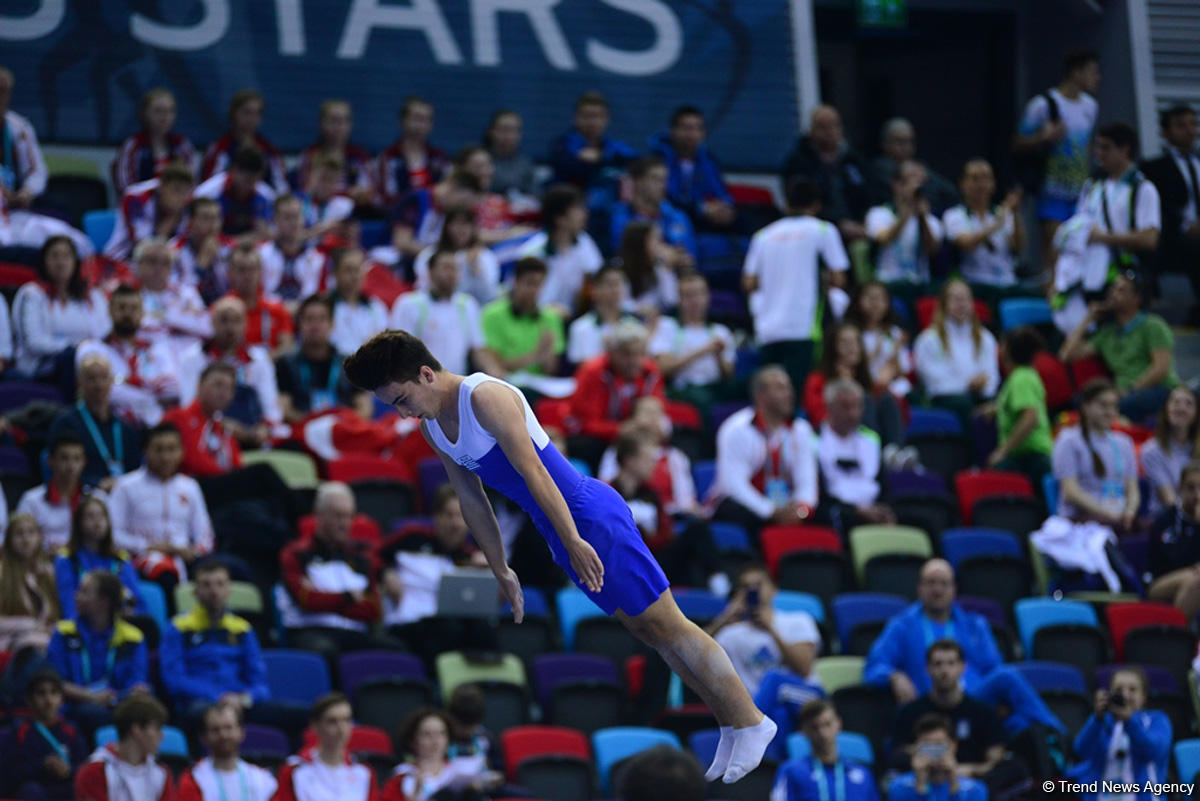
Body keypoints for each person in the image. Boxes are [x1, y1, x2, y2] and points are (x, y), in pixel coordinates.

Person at [343, 330, 779, 784]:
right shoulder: (433, 426)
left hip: (585, 515)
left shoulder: (486, 397)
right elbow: (473, 501)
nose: (403, 411)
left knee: (669, 622)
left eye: (401, 398)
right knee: (650, 632)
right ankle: (728, 722)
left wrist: (573, 537)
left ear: (426, 374)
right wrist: (500, 568)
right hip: (557, 527)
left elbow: (533, 471)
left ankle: (750, 719)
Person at [161, 561, 303, 731]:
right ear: (195, 592)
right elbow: (175, 680)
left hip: (240, 703)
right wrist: (218, 698)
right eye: (206, 585)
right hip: (199, 703)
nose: (214, 592)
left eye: (220, 584)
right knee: (199, 714)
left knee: (304, 715)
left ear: (229, 590)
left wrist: (243, 699)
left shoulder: (242, 629)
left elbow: (260, 683)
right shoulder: (178, 628)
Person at [743, 178, 849, 392]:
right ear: (817, 206)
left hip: (768, 329)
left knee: (772, 396)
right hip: (805, 328)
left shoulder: (763, 236)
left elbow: (748, 282)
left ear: (785, 204)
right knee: (797, 396)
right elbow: (839, 278)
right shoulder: (822, 230)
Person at [277, 483, 396, 664]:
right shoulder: (295, 553)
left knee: (396, 649)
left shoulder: (361, 559)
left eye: (349, 516)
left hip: (353, 633)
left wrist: (324, 599)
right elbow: (306, 601)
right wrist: (349, 598)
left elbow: (373, 609)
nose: (345, 524)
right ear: (319, 516)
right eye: (338, 516)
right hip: (310, 631)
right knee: (326, 651)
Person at [379, 485, 497, 667]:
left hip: (449, 624)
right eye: (449, 515)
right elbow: (373, 556)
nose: (455, 523)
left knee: (483, 629)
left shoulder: (471, 557)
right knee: (449, 629)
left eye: (461, 517)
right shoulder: (411, 538)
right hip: (409, 622)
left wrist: (489, 572)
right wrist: (386, 573)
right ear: (436, 517)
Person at [890, 641, 1018, 797]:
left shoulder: (983, 713)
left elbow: (996, 760)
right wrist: (918, 756)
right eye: (938, 664)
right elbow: (896, 754)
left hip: (971, 783)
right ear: (927, 669)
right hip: (919, 781)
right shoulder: (909, 712)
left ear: (962, 667)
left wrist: (968, 770)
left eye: (951, 663)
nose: (944, 670)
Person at [1014, 48, 1101, 265]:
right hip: (1052, 188)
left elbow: (1087, 146)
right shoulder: (1043, 104)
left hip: (1079, 189)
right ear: (1076, 73)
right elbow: (1017, 143)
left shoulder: (1091, 106)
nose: (1097, 78)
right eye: (1092, 72)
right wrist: (1043, 138)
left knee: (1079, 250)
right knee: (1054, 252)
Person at [109, 423, 215, 593]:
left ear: (182, 452)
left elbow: (205, 535)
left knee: (224, 573)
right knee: (165, 574)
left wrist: (192, 551)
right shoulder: (126, 486)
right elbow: (112, 534)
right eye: (158, 450)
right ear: (145, 451)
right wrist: (146, 546)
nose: (166, 457)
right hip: (141, 555)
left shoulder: (190, 487)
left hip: (183, 556)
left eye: (172, 449)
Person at [712, 366, 818, 537]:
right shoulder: (736, 430)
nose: (790, 394)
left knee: (825, 516)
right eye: (781, 388)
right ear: (760, 397)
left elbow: (807, 481)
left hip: (787, 507)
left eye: (789, 387)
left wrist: (801, 510)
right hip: (748, 507)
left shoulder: (801, 430)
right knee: (736, 511)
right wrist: (770, 512)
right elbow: (733, 485)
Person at [1059, 271, 1178, 422]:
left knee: (1124, 405)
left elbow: (1160, 368)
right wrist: (1088, 318)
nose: (1113, 294)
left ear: (1136, 299)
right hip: (1121, 392)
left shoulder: (1153, 326)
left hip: (1156, 389)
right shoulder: (1107, 332)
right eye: (1113, 289)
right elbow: (1066, 356)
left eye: (1121, 290)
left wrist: (1130, 390)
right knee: (1081, 401)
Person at [608, 431, 721, 590]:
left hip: (655, 557)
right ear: (630, 461)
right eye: (647, 460)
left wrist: (653, 534)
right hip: (625, 561)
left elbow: (665, 532)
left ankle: (717, 583)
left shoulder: (652, 493)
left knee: (697, 530)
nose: (653, 465)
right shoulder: (608, 493)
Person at [46, 570, 150, 735]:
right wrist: (90, 697)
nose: (76, 596)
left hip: (118, 705)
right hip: (75, 705)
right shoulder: (64, 633)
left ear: (103, 602)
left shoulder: (133, 638)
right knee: (96, 715)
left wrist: (136, 690)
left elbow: (137, 680)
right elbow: (55, 682)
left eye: (84, 592)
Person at [76, 284, 182, 427]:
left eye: (133, 308)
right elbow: (103, 391)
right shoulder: (92, 348)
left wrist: (123, 381)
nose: (127, 313)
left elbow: (172, 389)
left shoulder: (157, 348)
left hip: (153, 428)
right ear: (110, 311)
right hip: (107, 424)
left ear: (142, 313)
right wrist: (150, 392)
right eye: (122, 308)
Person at [706, 564, 820, 697]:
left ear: (774, 589)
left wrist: (771, 630)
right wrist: (726, 617)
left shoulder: (799, 621)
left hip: (803, 698)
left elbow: (803, 669)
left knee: (773, 678)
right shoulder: (731, 634)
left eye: (758, 585)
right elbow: (694, 652)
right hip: (764, 706)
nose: (753, 590)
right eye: (746, 587)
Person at [1075, 122, 1162, 286]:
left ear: (1124, 149)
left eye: (1106, 148)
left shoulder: (1143, 188)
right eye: (1098, 148)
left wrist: (1103, 238)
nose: (1099, 154)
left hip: (1124, 274)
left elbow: (1150, 239)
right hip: (1089, 273)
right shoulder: (1092, 185)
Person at [178, 296, 284, 429]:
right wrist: (222, 427)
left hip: (252, 431)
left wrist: (265, 428)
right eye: (224, 320)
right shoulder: (192, 359)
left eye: (236, 321)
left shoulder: (259, 360)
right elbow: (188, 405)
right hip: (208, 428)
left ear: (246, 324)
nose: (230, 327)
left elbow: (270, 405)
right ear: (212, 322)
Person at [391, 247, 500, 377]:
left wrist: (496, 375)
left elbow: (477, 349)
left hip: (456, 385)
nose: (451, 273)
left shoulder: (467, 304)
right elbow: (400, 352)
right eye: (446, 267)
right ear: (430, 271)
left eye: (455, 268)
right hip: (420, 383)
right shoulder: (409, 304)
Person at [1066, 667, 1171, 800]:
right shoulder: (1102, 722)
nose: (1125, 695)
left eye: (1132, 689)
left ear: (1143, 696)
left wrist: (1129, 721)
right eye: (1118, 690)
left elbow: (1153, 751)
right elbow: (1081, 751)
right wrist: (1096, 719)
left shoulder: (1157, 720)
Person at [11, 236, 109, 378]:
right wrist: (75, 347)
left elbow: (104, 333)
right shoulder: (32, 294)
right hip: (42, 365)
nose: (60, 263)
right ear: (44, 261)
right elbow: (35, 342)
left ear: (76, 262)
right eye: (54, 256)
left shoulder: (92, 296)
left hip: (87, 360)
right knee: (72, 359)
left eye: (66, 256)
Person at [569, 320, 667, 456]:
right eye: (627, 354)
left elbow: (657, 411)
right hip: (600, 438)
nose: (634, 360)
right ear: (612, 352)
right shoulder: (592, 372)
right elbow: (587, 423)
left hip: (637, 435)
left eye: (639, 354)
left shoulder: (651, 373)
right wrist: (622, 429)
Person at [46, 355, 142, 490]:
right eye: (91, 378)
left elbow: (136, 470)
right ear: (79, 382)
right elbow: (59, 467)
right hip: (83, 494)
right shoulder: (66, 424)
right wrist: (95, 483)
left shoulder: (124, 428)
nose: (98, 385)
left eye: (103, 378)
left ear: (111, 382)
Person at [1141, 104, 1200, 321]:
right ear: (1166, 133)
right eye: (1181, 125)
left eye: (1193, 124)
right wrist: (1187, 226)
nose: (1190, 131)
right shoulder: (1155, 168)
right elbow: (1161, 209)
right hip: (1174, 235)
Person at [913, 279, 1000, 426]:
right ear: (943, 304)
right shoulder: (928, 339)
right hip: (946, 398)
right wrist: (967, 386)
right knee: (965, 406)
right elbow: (933, 381)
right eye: (955, 298)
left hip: (980, 396)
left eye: (965, 298)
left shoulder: (985, 337)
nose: (961, 303)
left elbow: (992, 374)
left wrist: (983, 385)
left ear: (972, 303)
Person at [803, 322, 903, 446]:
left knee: (886, 400)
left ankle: (894, 454)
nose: (852, 348)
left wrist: (884, 387)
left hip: (869, 436)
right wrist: (844, 389)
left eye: (856, 342)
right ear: (832, 347)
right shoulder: (818, 379)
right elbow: (819, 416)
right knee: (862, 399)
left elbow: (904, 415)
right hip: (836, 437)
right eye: (845, 343)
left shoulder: (864, 378)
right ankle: (873, 452)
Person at [780, 105, 870, 243]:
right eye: (822, 127)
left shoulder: (854, 160)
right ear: (811, 130)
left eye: (834, 125)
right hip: (817, 233)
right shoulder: (798, 162)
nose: (829, 132)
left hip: (858, 231)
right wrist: (838, 224)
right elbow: (800, 203)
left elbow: (868, 194)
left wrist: (865, 219)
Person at [648, 272, 736, 412]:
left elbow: (728, 375)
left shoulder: (720, 331)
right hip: (685, 388)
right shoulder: (668, 326)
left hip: (716, 386)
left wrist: (718, 356)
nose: (695, 300)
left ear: (707, 297)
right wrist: (703, 351)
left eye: (699, 294)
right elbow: (662, 368)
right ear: (679, 300)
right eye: (689, 295)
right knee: (702, 398)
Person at [816, 380, 896, 530]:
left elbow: (882, 484)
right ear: (829, 408)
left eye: (858, 407)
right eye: (846, 407)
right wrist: (856, 511)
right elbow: (821, 495)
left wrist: (882, 510)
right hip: (838, 513)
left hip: (873, 507)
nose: (853, 414)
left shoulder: (871, 440)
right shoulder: (813, 440)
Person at [981, 325, 1055, 487]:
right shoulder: (1024, 376)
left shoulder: (1021, 379)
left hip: (1032, 458)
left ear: (1006, 350)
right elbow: (1016, 405)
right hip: (1029, 456)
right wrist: (996, 409)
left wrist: (1003, 452)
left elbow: (1030, 417)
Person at [54, 495, 146, 621]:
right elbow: (69, 606)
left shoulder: (121, 559)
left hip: (121, 625)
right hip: (84, 625)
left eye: (102, 516)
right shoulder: (67, 559)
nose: (97, 522)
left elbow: (138, 604)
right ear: (78, 522)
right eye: (90, 516)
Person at [942, 159, 1025, 296]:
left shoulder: (1004, 213)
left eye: (986, 179)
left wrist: (1015, 215)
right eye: (975, 179)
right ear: (963, 184)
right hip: (975, 285)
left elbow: (1018, 248)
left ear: (993, 184)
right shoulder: (954, 215)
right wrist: (995, 225)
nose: (981, 185)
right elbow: (966, 245)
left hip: (1007, 283)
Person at [517, 184, 604, 315]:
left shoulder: (585, 242)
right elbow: (521, 298)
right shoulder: (533, 252)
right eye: (578, 209)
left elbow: (598, 280)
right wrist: (550, 311)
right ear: (560, 219)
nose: (584, 214)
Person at [382, 706, 502, 801]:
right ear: (413, 741)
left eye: (441, 733)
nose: (435, 740)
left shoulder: (459, 770)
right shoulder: (402, 775)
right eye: (427, 734)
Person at [275, 295, 363, 422]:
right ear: (299, 324)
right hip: (302, 433)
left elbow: (364, 408)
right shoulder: (285, 363)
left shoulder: (349, 363)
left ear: (332, 324)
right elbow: (284, 409)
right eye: (309, 319)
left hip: (343, 432)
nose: (315, 325)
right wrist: (313, 427)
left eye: (321, 319)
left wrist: (338, 427)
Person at [274, 693, 378, 801]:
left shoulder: (363, 772)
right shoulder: (294, 771)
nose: (341, 729)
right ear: (315, 726)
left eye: (346, 720)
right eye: (332, 721)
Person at [4, 671, 89, 801]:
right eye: (41, 693)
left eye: (54, 693)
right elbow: (11, 774)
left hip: (64, 787)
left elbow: (85, 767)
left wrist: (68, 770)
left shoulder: (72, 731)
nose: (48, 700)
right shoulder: (16, 733)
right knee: (31, 790)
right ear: (29, 700)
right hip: (36, 791)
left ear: (62, 699)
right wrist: (43, 766)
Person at [771, 700, 880, 801]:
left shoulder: (864, 775)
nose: (823, 734)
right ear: (804, 731)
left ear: (839, 724)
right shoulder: (791, 771)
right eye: (815, 727)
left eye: (827, 724)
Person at [648, 105, 736, 230]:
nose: (691, 134)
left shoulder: (709, 162)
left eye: (697, 128)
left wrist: (725, 208)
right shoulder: (658, 159)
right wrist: (700, 208)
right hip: (669, 218)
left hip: (706, 219)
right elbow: (664, 197)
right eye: (686, 128)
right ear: (673, 131)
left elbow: (721, 192)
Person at [866, 160, 945, 298]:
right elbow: (884, 239)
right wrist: (906, 214)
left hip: (920, 285)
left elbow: (932, 250)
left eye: (921, 182)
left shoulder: (930, 220)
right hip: (889, 283)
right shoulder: (879, 213)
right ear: (897, 185)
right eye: (911, 181)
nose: (916, 186)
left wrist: (922, 217)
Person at [17, 433, 107, 550]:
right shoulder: (31, 500)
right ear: (50, 461)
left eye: (77, 458)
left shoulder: (97, 498)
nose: (71, 466)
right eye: (64, 458)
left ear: (84, 462)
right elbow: (18, 539)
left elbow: (109, 538)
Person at [73, 695, 173, 801]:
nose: (162, 736)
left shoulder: (160, 773)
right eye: (157, 729)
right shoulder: (95, 771)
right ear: (137, 730)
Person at [548, 91, 637, 209]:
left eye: (597, 116)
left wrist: (600, 158)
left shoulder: (615, 148)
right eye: (586, 116)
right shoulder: (562, 145)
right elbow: (567, 165)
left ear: (606, 119)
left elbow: (638, 163)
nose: (592, 122)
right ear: (575, 118)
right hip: (571, 212)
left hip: (607, 214)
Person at [480, 257, 565, 378]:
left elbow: (551, 370)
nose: (534, 290)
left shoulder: (550, 318)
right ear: (515, 281)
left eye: (539, 285)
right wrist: (535, 356)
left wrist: (547, 355)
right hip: (504, 385)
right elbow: (494, 365)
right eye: (529, 283)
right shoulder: (492, 314)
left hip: (539, 387)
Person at [176, 703, 278, 801]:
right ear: (204, 737)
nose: (223, 735)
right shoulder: (194, 779)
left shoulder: (262, 779)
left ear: (241, 732)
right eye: (215, 730)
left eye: (228, 728)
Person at [610, 156, 696, 268]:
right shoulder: (620, 217)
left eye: (665, 179)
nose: (662, 185)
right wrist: (661, 257)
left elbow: (689, 256)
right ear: (637, 182)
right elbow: (626, 254)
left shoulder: (678, 217)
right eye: (655, 179)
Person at [162, 363, 246, 475]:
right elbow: (192, 462)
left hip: (223, 483)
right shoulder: (178, 417)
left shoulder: (223, 428)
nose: (223, 393)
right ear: (199, 385)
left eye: (229, 388)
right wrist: (229, 478)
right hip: (193, 483)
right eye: (218, 385)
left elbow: (237, 465)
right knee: (264, 472)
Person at [200, 89, 288, 194]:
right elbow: (208, 187)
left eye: (257, 113)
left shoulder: (270, 151)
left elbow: (282, 190)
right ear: (233, 113)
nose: (252, 119)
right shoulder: (220, 148)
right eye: (247, 112)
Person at [104, 162, 194, 262]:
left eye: (186, 192)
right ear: (161, 187)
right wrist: (168, 225)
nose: (180, 198)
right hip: (124, 257)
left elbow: (181, 243)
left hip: (166, 262)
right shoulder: (135, 198)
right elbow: (141, 245)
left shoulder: (188, 205)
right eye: (176, 190)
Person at [111, 88, 195, 195]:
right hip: (138, 205)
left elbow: (191, 183)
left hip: (177, 207)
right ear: (145, 113)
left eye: (170, 111)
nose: (164, 117)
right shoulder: (133, 145)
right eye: (158, 111)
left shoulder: (182, 145)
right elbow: (125, 187)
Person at [886, 713, 988, 801]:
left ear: (953, 745)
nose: (934, 751)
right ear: (916, 747)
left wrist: (953, 783)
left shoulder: (974, 789)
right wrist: (920, 788)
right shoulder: (899, 787)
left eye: (939, 744)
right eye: (927, 745)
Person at [135, 236, 213, 348]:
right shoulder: (130, 293)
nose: (158, 268)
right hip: (148, 351)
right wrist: (178, 319)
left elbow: (206, 327)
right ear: (138, 264)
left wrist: (163, 317)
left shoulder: (187, 293)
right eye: (152, 261)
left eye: (165, 263)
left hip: (186, 351)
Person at [413, 206, 501, 306]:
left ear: (473, 228)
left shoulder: (485, 256)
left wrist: (475, 267)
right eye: (455, 224)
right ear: (446, 226)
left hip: (471, 309)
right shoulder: (429, 254)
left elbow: (489, 297)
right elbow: (421, 288)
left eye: (465, 224)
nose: (460, 229)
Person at [869, 118, 959, 215]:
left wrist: (926, 179)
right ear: (885, 144)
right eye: (900, 142)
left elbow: (950, 191)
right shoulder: (879, 167)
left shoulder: (919, 166)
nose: (906, 147)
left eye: (909, 141)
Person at [1146, 461, 1200, 617]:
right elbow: (1173, 560)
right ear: (1180, 488)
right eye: (1191, 488)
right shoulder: (1166, 519)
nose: (1197, 494)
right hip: (1160, 581)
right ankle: (1176, 636)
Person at [296, 99, 374, 206]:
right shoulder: (309, 154)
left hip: (353, 214)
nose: (338, 126)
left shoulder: (359, 155)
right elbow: (306, 192)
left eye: (344, 120)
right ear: (322, 123)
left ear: (350, 125)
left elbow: (369, 193)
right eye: (333, 120)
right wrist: (348, 193)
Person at [0, 514, 59, 655]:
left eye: (31, 533)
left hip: (45, 640)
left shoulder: (48, 572)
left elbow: (57, 617)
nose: (26, 539)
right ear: (9, 540)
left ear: (39, 537)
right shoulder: (2, 573)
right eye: (19, 534)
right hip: (11, 644)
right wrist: (29, 625)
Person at [376, 96, 450, 207]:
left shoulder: (439, 158)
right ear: (402, 120)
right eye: (416, 118)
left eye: (426, 120)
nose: (421, 125)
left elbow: (448, 193)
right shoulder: (388, 157)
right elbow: (386, 197)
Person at [845, 281, 913, 400]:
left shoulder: (895, 333)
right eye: (870, 298)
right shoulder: (851, 334)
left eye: (881, 298)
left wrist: (896, 357)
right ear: (858, 301)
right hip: (863, 388)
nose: (875, 303)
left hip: (895, 387)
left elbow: (904, 369)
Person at [223, 243, 294, 357]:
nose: (248, 275)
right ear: (230, 273)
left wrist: (260, 364)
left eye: (252, 269)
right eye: (242, 270)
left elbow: (287, 346)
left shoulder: (277, 309)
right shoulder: (221, 311)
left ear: (260, 272)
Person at [1138, 386, 1199, 516]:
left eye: (1188, 404)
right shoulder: (1152, 451)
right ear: (1166, 410)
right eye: (1175, 402)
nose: (1181, 408)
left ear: (1196, 414)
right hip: (1167, 518)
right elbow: (1169, 500)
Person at [257, 195, 326, 307]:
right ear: (275, 220)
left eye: (297, 216)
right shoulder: (260, 254)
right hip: (269, 313)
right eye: (287, 217)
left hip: (305, 316)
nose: (293, 222)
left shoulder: (318, 258)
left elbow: (320, 296)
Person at [194, 147, 275, 239]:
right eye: (246, 180)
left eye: (254, 181)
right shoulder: (208, 193)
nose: (248, 186)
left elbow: (266, 234)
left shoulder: (267, 196)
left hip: (249, 248)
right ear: (234, 170)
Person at [568, 264, 636, 366]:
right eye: (610, 284)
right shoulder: (580, 327)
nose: (616, 289)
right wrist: (610, 354)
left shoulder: (635, 324)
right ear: (595, 289)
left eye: (619, 284)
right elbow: (581, 369)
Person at [0, 66, 48, 210]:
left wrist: (27, 192)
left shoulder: (20, 128)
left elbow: (38, 172)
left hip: (11, 211)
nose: (0, 97)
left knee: (60, 229)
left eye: (4, 91)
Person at [170, 198, 232, 307]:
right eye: (206, 218)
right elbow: (176, 292)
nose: (213, 224)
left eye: (216, 218)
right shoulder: (174, 250)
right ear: (191, 221)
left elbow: (232, 287)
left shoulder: (229, 248)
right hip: (187, 310)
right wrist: (201, 266)